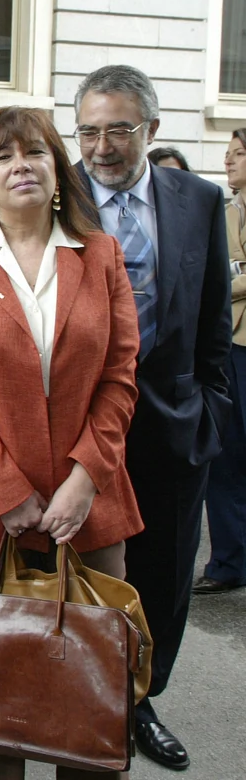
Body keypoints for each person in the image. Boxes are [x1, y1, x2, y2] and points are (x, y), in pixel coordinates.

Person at [0, 106, 142, 780]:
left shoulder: (99, 255)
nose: (22, 165)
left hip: (90, 503)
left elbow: (121, 374)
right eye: (4, 155)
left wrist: (85, 477)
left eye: (36, 153)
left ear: (57, 168)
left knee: (90, 687)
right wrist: (8, 493)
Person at [73, 64, 232, 772]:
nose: (102, 146)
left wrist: (210, 413)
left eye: (118, 129)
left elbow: (211, 328)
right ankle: (74, 699)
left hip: (172, 427)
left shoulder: (199, 199)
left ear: (153, 130)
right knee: (75, 577)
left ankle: (140, 700)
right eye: (88, 130)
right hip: (76, 432)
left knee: (164, 582)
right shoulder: (52, 192)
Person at [193, 125, 246, 595]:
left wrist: (233, 275)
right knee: (224, 455)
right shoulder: (222, 212)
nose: (227, 161)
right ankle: (228, 561)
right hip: (229, 347)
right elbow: (210, 277)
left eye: (237, 154)